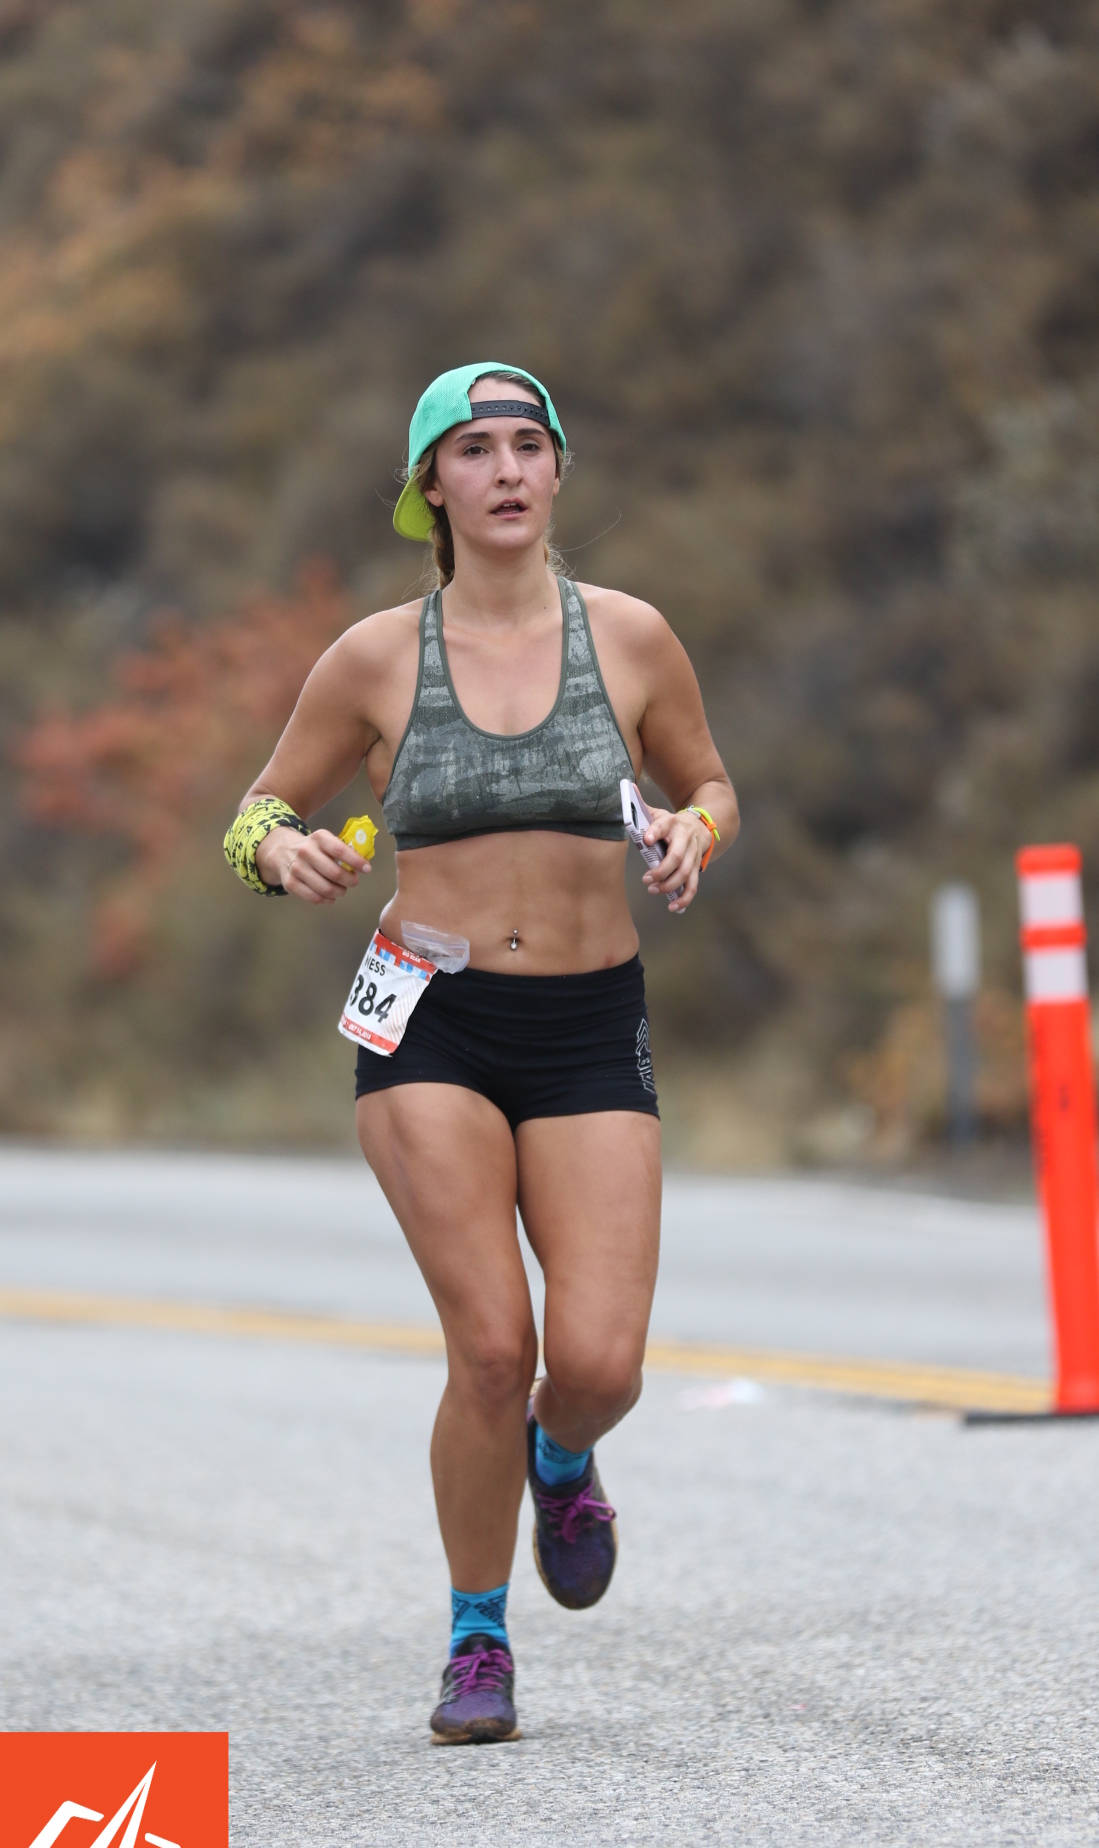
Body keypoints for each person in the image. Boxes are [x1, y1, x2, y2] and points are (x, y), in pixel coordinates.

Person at [224, 364, 738, 1743]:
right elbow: (256, 811)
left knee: (601, 1364)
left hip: (587, 1023)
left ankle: (565, 1458)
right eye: (473, 451)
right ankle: (476, 1637)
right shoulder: (374, 658)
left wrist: (695, 830)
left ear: (557, 470)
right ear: (430, 489)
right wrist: (278, 854)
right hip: (430, 1021)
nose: (506, 470)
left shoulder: (630, 637)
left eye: (527, 444)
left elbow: (710, 782)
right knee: (494, 1348)